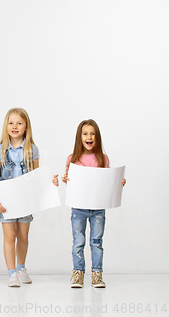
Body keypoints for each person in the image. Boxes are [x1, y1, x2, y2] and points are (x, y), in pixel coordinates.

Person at [53, 119, 126, 288]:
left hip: (98, 208)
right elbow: (70, 182)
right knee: (78, 241)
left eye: (92, 133)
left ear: (97, 137)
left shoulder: (103, 158)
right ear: (79, 137)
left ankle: (97, 274)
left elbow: (107, 182)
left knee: (96, 241)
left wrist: (118, 183)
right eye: (85, 133)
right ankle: (78, 273)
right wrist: (65, 180)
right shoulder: (73, 158)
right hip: (79, 208)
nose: (89, 137)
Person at [0, 108, 39, 287]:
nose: (14, 126)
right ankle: (11, 273)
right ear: (6, 126)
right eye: (11, 122)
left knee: (23, 236)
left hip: (25, 200)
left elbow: (36, 175)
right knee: (9, 236)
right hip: (7, 201)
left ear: (26, 127)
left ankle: (21, 268)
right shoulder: (0, 150)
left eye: (19, 123)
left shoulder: (32, 149)